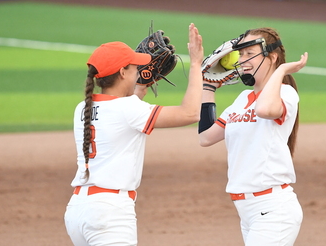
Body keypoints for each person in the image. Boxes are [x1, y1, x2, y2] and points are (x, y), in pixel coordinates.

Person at [64, 23, 203, 246]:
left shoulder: (83, 108)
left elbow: (120, 119)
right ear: (121, 73)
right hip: (109, 215)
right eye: (134, 68)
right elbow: (190, 113)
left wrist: (138, 90)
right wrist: (196, 64)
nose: (139, 71)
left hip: (78, 211)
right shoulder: (129, 110)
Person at [198, 27, 308, 246]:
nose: (243, 60)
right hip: (248, 212)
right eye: (241, 54)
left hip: (273, 210)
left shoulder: (285, 93)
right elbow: (206, 137)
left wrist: (280, 71)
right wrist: (208, 87)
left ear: (272, 57)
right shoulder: (242, 99)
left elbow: (265, 110)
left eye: (250, 54)